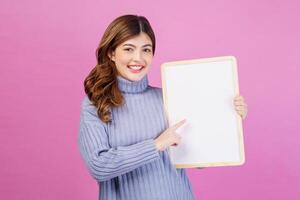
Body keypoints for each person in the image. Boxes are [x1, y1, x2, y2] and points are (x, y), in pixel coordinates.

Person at [78, 14, 248, 200]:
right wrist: (156, 145)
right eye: (128, 49)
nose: (138, 58)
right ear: (112, 53)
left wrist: (228, 117)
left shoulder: (168, 97)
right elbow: (99, 166)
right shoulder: (96, 104)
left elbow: (198, 157)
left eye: (146, 50)